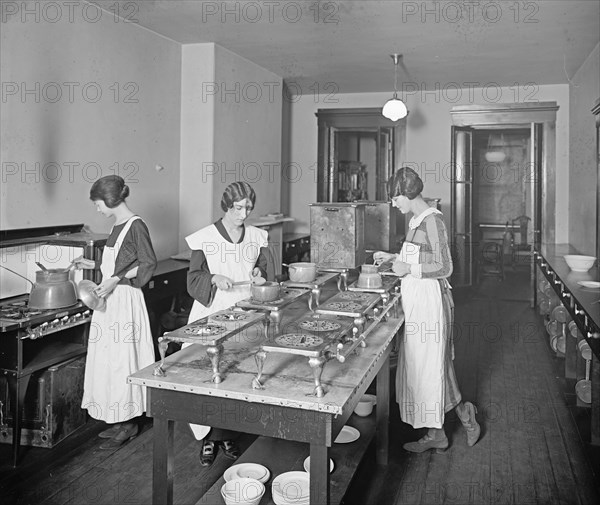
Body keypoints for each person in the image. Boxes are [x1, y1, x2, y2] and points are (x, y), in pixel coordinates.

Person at [373, 167, 480, 453]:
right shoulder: (416, 220)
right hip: (416, 300)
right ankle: (439, 431)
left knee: (432, 367)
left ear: (406, 194)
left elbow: (445, 267)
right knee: (425, 367)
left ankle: (459, 421)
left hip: (430, 302)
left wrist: (408, 267)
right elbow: (422, 256)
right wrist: (394, 257)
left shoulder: (433, 220)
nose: (393, 204)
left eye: (395, 198)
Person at [185, 181, 269, 466]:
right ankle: (208, 437)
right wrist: (213, 278)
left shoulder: (257, 236)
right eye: (237, 208)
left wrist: (259, 274)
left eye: (248, 208)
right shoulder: (204, 238)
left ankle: (230, 432)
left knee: (239, 372)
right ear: (226, 206)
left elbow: (265, 271)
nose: (243, 214)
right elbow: (193, 278)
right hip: (213, 311)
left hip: (246, 311)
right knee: (209, 372)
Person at [75, 175, 157, 450]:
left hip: (125, 300)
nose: (97, 209)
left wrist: (117, 279)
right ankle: (120, 420)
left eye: (98, 204)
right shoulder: (117, 226)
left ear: (110, 200)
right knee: (110, 360)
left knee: (124, 358)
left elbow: (147, 263)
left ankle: (130, 422)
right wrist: (89, 262)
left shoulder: (136, 225)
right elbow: (117, 262)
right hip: (111, 300)